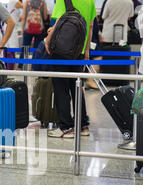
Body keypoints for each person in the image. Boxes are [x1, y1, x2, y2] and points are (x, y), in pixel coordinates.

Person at [45, 0, 96, 138]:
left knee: (61, 88)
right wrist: (86, 52)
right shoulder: (90, 1)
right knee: (77, 87)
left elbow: (57, 24)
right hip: (79, 51)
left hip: (61, 51)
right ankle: (83, 125)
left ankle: (66, 127)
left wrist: (47, 40)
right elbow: (90, 27)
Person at [18, 0, 47, 69]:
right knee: (37, 48)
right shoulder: (43, 2)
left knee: (25, 47)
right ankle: (34, 67)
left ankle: (21, 66)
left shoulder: (27, 2)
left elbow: (24, 17)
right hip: (39, 29)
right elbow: (45, 17)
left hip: (28, 28)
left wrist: (23, 29)